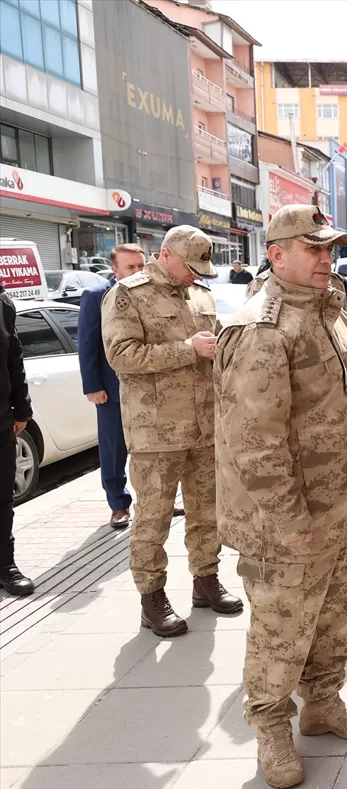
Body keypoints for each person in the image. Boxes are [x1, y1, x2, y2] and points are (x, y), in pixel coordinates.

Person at [214, 205, 347, 789]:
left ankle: (323, 702)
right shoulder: (264, 328)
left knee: (336, 616)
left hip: (337, 505)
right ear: (276, 254)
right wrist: (289, 521)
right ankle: (271, 728)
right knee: (281, 628)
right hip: (287, 519)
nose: (326, 258)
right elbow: (254, 444)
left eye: (329, 248)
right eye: (314, 248)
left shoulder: (327, 310)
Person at [102, 225, 243, 637]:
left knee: (207, 512)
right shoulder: (128, 293)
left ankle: (206, 580)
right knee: (153, 517)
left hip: (205, 427)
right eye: (190, 265)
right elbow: (121, 356)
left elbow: (213, 351)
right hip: (156, 432)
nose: (195, 274)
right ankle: (152, 597)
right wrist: (187, 349)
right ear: (166, 254)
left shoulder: (200, 293)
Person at [79, 244, 145, 529]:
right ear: (115, 270)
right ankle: (118, 504)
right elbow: (87, 343)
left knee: (152, 450)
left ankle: (155, 499)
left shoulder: (152, 295)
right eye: (130, 267)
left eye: (141, 266)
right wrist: (92, 385)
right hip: (112, 389)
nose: (137, 273)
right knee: (113, 450)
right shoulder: (96, 297)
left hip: (149, 388)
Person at [0, 285, 33, 596]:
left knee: (3, 497)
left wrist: (22, 408)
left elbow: (14, 357)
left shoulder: (2, 302)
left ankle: (6, 565)